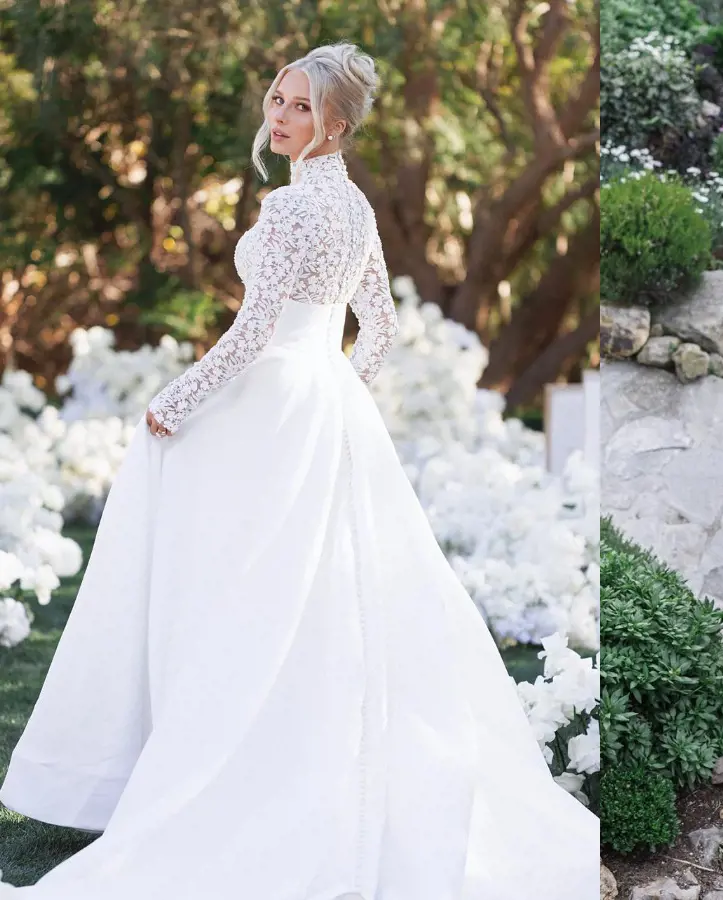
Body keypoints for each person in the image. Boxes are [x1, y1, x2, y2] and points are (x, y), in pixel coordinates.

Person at [0, 43, 598, 900]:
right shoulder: (354, 206)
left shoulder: (288, 214)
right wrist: (334, 399)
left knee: (239, 590)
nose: (278, 118)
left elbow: (250, 335)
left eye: (299, 109)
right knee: (316, 595)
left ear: (336, 124)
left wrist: (180, 396)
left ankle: (222, 771)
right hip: (326, 410)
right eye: (278, 101)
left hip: (269, 404)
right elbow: (379, 332)